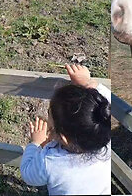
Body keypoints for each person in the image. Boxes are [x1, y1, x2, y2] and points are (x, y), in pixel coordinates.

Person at [20, 64, 111, 195]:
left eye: (49, 113)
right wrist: (88, 83)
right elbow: (108, 104)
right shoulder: (105, 136)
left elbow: (27, 173)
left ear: (63, 138)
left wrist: (36, 144)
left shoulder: (50, 161)